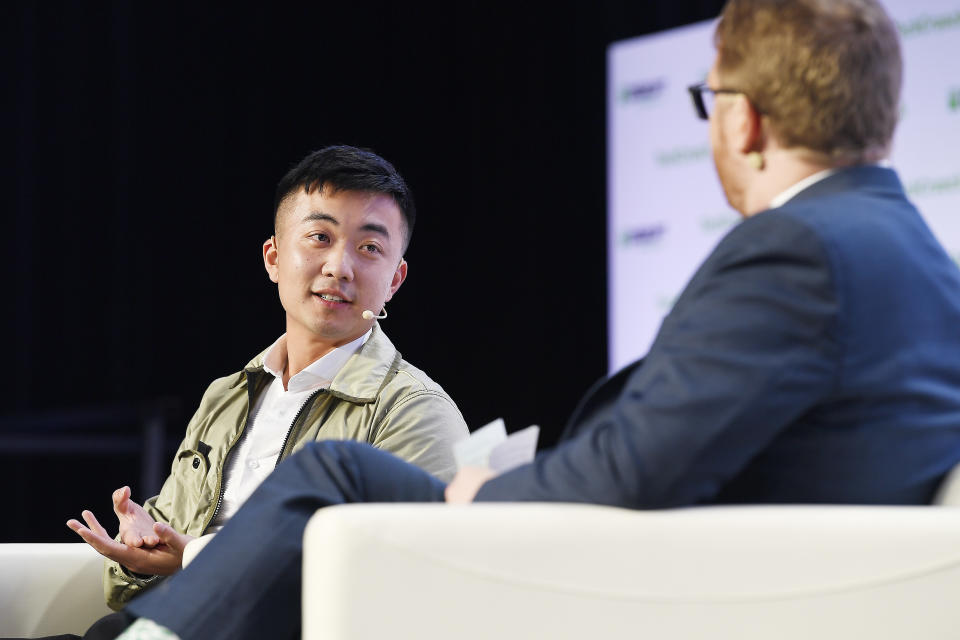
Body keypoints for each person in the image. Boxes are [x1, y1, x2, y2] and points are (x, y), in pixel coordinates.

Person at [45, 0, 960, 638]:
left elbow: (640, 465)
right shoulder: (912, 250)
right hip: (731, 558)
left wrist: (482, 494)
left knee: (336, 475)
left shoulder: (796, 249)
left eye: (707, 102)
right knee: (339, 473)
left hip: (683, 576)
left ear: (747, 121)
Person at [62, 145, 468, 618]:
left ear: (395, 281)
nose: (340, 267)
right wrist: (141, 547)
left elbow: (420, 586)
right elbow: (137, 579)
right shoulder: (228, 396)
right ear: (273, 259)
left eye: (370, 248)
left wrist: (195, 557)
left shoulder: (413, 410)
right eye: (320, 237)